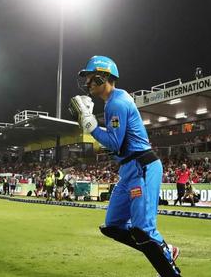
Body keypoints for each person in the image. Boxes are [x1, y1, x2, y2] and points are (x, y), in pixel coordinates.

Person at [70, 55, 181, 276]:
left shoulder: (117, 103)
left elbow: (115, 143)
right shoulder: (114, 102)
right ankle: (163, 248)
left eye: (91, 79)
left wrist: (90, 125)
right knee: (113, 226)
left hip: (142, 167)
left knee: (143, 230)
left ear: (103, 77)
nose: (87, 84)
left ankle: (168, 266)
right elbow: (116, 144)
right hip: (130, 170)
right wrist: (93, 125)